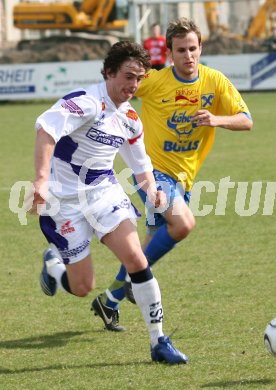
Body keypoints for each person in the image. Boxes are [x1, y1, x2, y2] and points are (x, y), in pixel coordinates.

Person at [91, 17, 253, 331]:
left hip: (184, 179)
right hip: (153, 175)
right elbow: (116, 92)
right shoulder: (153, 82)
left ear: (201, 48)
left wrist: (216, 120)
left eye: (193, 48)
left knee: (149, 245)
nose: (188, 55)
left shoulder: (214, 81)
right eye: (181, 50)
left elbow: (246, 120)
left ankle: (110, 299)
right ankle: (125, 288)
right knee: (183, 223)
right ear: (170, 53)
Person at [32, 41, 188, 364]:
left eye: (139, 79)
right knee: (82, 286)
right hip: (65, 200)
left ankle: (158, 341)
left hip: (104, 192)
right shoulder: (87, 102)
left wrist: (154, 190)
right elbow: (46, 129)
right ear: (108, 72)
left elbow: (141, 166)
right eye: (128, 76)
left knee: (136, 257)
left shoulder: (131, 119)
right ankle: (53, 266)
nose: (133, 85)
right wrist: (41, 180)